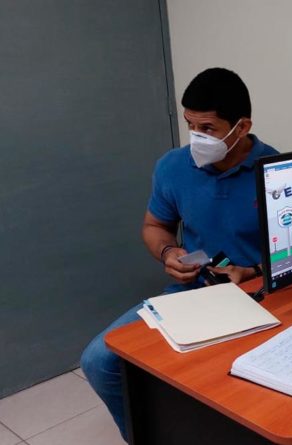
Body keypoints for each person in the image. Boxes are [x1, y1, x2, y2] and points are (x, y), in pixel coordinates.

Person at [80, 67, 278, 440]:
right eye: (191, 126)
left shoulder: (276, 171)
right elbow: (154, 227)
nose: (197, 139)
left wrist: (250, 271)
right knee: (99, 361)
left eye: (207, 129)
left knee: (241, 386)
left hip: (264, 296)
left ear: (242, 126)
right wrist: (168, 251)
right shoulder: (173, 167)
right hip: (196, 292)